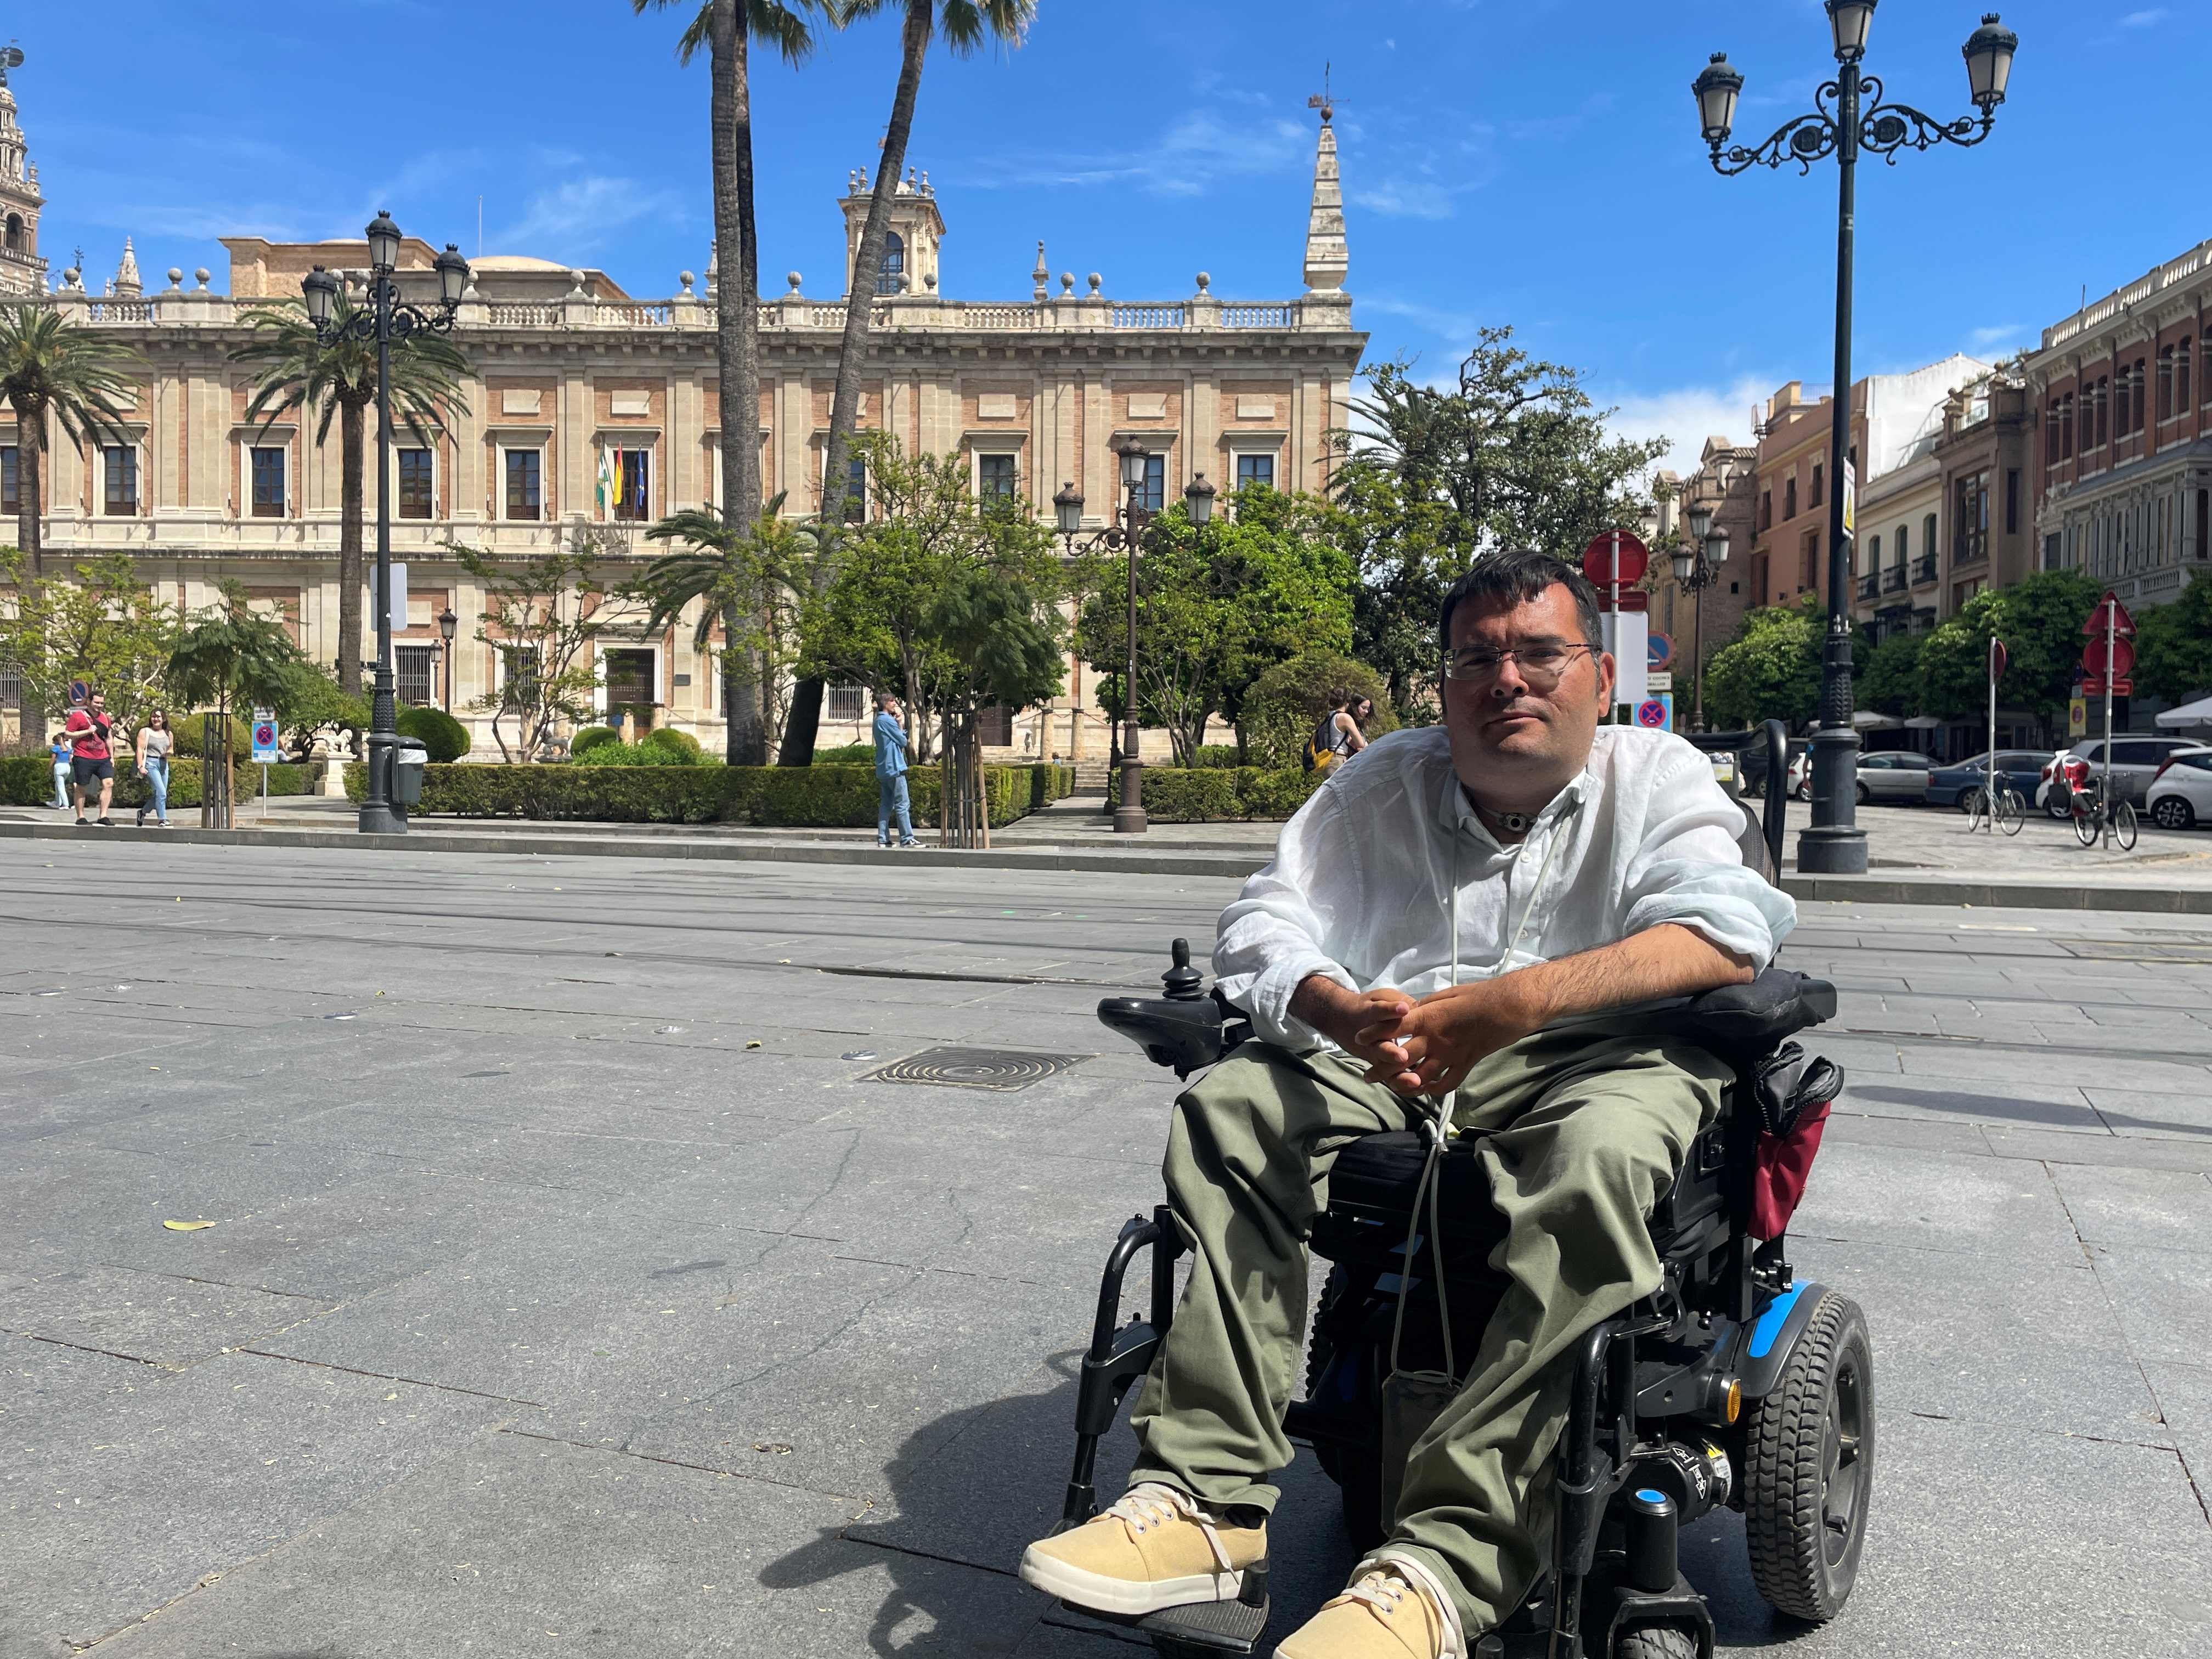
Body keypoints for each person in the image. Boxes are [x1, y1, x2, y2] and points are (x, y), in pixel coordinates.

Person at [1019, 548, 1795, 1659]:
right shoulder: (1382, 781)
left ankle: (1444, 1566)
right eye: (1478, 658)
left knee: (1604, 1160)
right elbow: (1263, 922)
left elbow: (1727, 931)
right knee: (1232, 1109)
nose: (1508, 680)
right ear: (1444, 685)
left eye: (1540, 653)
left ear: (1599, 680)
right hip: (1402, 1045)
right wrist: (1334, 1009)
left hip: (1596, 1052)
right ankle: (1205, 1505)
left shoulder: (1657, 776)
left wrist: (1511, 1005)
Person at [873, 691, 919, 850]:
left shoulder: (878, 720)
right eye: (892, 701)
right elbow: (902, 741)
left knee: (886, 804)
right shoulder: (887, 721)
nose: (895, 704)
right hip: (894, 767)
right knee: (902, 804)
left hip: (883, 768)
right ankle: (907, 838)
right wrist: (900, 724)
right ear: (886, 703)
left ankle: (883, 838)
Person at [65, 691, 118, 827]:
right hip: (83, 756)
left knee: (109, 783)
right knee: (81, 787)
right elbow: (68, 734)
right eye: (96, 702)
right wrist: (87, 731)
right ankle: (81, 816)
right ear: (89, 702)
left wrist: (111, 756)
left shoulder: (106, 718)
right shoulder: (78, 717)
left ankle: (103, 816)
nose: (99, 705)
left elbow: (109, 738)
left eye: (101, 703)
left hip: (103, 757)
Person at [1309, 691, 1374, 774]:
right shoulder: (1345, 718)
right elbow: (1360, 744)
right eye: (1364, 708)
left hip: (1328, 760)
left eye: (1368, 709)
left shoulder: (1331, 715)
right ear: (1348, 702)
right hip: (1338, 759)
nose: (1367, 712)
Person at [136, 709, 174, 828]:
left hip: (163, 764)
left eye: (158, 717)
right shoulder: (145, 732)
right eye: (153, 716)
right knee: (161, 793)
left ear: (163, 719)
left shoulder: (169, 734)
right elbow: (140, 749)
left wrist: (168, 753)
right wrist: (141, 766)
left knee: (160, 794)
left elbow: (172, 749)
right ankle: (162, 819)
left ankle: (142, 812)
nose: (156, 719)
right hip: (150, 763)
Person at [48, 731, 72, 810]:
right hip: (67, 767)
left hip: (59, 767)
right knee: (58, 785)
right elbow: (70, 760)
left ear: (56, 741)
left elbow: (53, 759)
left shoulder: (56, 748)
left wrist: (49, 768)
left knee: (61, 787)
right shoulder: (68, 749)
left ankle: (65, 804)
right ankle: (58, 802)